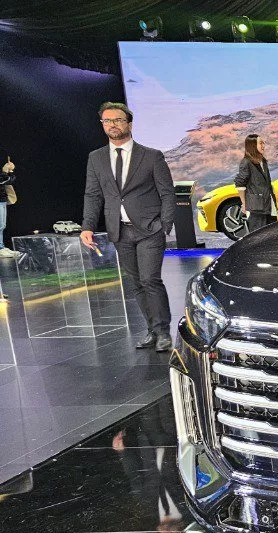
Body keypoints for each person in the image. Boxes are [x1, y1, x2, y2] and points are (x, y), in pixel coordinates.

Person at [80, 102, 176, 352]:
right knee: (135, 283)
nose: (112, 125)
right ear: (102, 125)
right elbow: (93, 194)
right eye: (107, 121)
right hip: (119, 230)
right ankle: (151, 330)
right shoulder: (96, 158)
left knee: (150, 279)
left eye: (118, 120)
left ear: (129, 124)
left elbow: (167, 193)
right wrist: (87, 226)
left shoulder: (152, 156)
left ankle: (163, 332)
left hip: (149, 229)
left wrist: (164, 224)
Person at [234, 133, 278, 234]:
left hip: (269, 204)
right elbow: (240, 184)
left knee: (272, 234)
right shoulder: (246, 162)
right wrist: (244, 204)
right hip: (256, 207)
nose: (263, 145)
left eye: (263, 143)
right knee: (259, 235)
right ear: (252, 145)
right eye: (260, 143)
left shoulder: (263, 161)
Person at [0, 156, 14, 257]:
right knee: (0, 226)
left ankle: (1, 246)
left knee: (2, 226)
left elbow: (9, 181)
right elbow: (2, 179)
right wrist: (5, 172)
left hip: (2, 200)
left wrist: (10, 171)